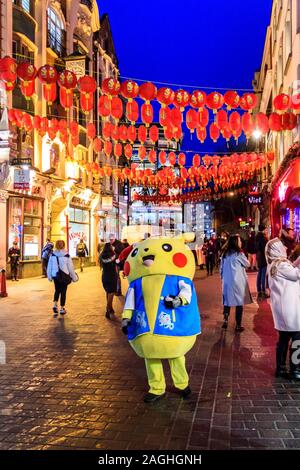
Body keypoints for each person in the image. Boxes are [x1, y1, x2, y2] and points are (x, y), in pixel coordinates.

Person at [121, 236, 201, 403]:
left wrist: (179, 300)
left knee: (176, 355)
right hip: (145, 327)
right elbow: (130, 301)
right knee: (151, 356)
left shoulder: (179, 278)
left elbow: (187, 292)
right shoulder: (136, 284)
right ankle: (157, 387)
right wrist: (126, 318)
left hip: (171, 325)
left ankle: (182, 384)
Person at [265, 237, 300, 379]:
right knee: (297, 338)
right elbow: (296, 273)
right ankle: (295, 370)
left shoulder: (276, 264)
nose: (285, 249)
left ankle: (280, 368)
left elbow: (293, 268)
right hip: (290, 308)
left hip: (283, 308)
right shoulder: (281, 265)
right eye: (282, 246)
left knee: (284, 338)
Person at [220, 235, 252, 332]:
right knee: (239, 302)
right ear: (236, 243)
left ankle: (225, 320)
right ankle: (238, 325)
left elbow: (221, 268)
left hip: (226, 281)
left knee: (227, 301)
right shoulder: (239, 254)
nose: (241, 242)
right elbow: (247, 264)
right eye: (239, 241)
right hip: (238, 281)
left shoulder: (224, 254)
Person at [47, 240, 78, 317]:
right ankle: (62, 308)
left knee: (57, 290)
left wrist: (49, 276)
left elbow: (49, 266)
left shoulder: (52, 255)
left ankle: (55, 304)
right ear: (63, 245)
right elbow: (70, 267)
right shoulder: (66, 255)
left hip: (55, 275)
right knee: (63, 291)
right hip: (64, 275)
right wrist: (74, 277)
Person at [100, 242, 118, 319]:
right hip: (112, 275)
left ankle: (111, 308)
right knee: (112, 292)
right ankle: (108, 308)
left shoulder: (101, 255)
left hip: (104, 275)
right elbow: (118, 263)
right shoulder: (113, 255)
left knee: (108, 292)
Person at [255, 224, 269, 300]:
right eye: (266, 229)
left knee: (260, 274)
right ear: (263, 230)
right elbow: (265, 249)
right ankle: (263, 291)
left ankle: (259, 290)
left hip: (259, 257)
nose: (267, 231)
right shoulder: (262, 238)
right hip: (263, 258)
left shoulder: (257, 237)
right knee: (263, 274)